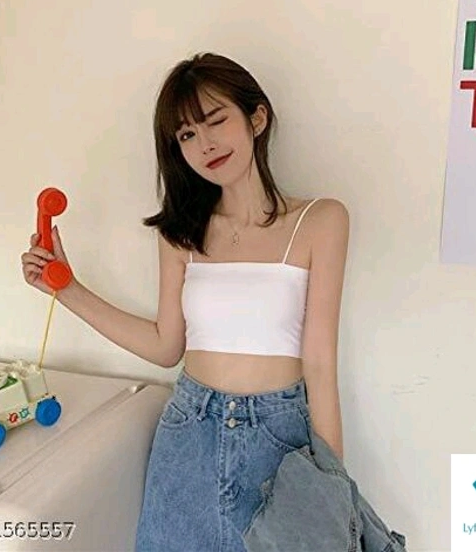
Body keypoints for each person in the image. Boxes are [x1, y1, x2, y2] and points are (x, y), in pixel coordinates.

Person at [21, 52, 350, 552]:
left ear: (257, 118)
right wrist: (66, 289)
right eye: (187, 135)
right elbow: (165, 346)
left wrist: (333, 488)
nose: (205, 144)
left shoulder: (321, 221)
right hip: (188, 433)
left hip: (279, 439)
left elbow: (321, 365)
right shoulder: (180, 235)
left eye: (216, 120)